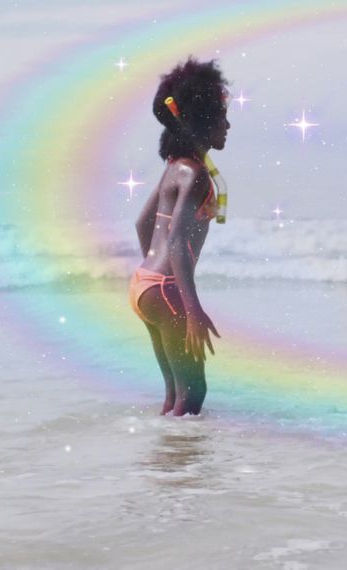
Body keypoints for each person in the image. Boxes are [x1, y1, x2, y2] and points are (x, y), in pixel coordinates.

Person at [128, 58, 229, 415]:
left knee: (175, 395)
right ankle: (181, 467)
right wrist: (192, 308)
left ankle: (166, 463)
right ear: (203, 121)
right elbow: (174, 241)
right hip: (165, 289)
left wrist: (154, 278)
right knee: (194, 393)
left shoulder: (174, 168)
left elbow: (143, 224)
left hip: (144, 285)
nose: (228, 125)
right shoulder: (195, 174)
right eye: (221, 117)